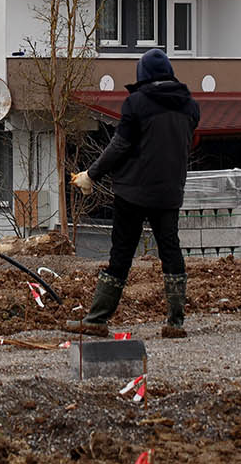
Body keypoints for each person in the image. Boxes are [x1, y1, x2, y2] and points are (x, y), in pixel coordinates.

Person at [69, 47, 200, 338]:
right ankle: (175, 322)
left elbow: (120, 146)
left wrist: (91, 174)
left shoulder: (136, 104)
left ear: (143, 76)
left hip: (133, 191)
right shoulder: (190, 106)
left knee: (122, 252)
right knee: (170, 250)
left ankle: (97, 319)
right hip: (169, 191)